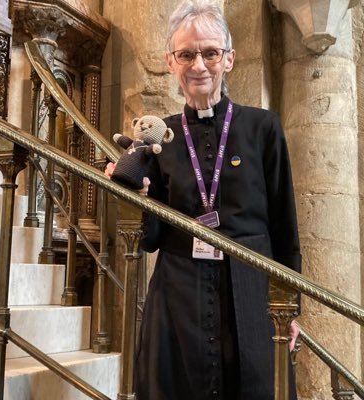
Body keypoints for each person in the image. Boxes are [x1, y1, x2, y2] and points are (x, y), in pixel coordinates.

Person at [106, 1, 301, 399]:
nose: (199, 65)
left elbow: (284, 225)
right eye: (187, 54)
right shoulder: (160, 138)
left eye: (210, 52)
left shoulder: (263, 127)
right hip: (178, 294)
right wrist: (140, 199)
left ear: (229, 59)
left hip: (251, 291)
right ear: (170, 62)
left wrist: (289, 307)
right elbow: (150, 239)